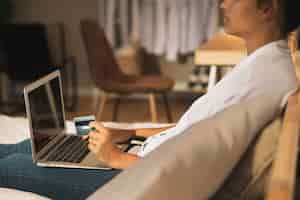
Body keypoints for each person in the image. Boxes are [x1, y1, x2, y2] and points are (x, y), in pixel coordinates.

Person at [0, 0, 299, 199]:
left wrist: (115, 159)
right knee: (31, 147)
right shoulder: (260, 64)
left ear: (268, 9)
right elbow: (189, 131)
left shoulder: (268, 77)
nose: (223, 2)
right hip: (139, 157)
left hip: (138, 181)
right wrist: (127, 133)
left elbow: (190, 169)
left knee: (13, 164)